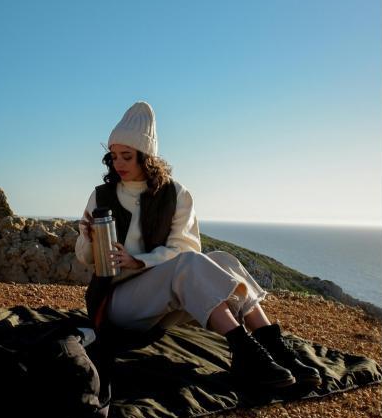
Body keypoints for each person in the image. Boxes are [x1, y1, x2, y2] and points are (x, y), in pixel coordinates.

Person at [75, 101, 321, 391]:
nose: (118, 164)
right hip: (116, 304)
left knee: (224, 260)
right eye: (113, 156)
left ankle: (273, 347)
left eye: (127, 157)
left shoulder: (176, 194)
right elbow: (85, 259)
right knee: (190, 265)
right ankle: (243, 351)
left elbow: (185, 246)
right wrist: (88, 239)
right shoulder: (101, 196)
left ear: (146, 157)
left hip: (162, 304)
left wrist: (139, 260)